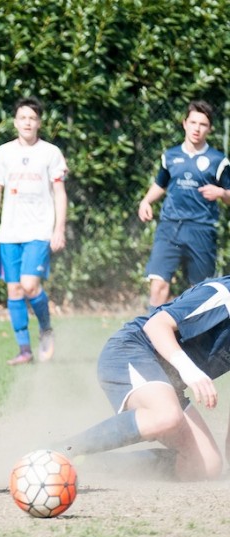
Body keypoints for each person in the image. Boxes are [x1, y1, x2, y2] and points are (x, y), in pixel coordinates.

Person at [60, 276, 230, 481]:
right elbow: (157, 326)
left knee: (206, 465)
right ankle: (59, 452)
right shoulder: (223, 294)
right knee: (166, 414)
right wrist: (190, 371)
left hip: (167, 381)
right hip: (130, 350)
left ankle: (90, 464)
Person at [0, 97, 68, 366]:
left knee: (30, 285)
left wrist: (59, 229)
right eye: (23, 118)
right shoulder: (4, 152)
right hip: (9, 233)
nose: (27, 122)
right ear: (15, 121)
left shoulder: (50, 153)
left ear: (39, 122)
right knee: (15, 291)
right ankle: (24, 350)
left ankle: (46, 329)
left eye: (32, 118)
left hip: (39, 231)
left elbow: (59, 193)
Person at [138, 100, 230, 311]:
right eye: (193, 122)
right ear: (184, 124)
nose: (197, 128)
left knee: (200, 291)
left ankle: (196, 342)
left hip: (201, 229)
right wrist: (146, 201)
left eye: (203, 124)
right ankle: (152, 339)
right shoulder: (170, 156)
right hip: (170, 227)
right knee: (159, 284)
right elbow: (160, 184)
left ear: (210, 128)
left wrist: (221, 192)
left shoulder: (218, 161)